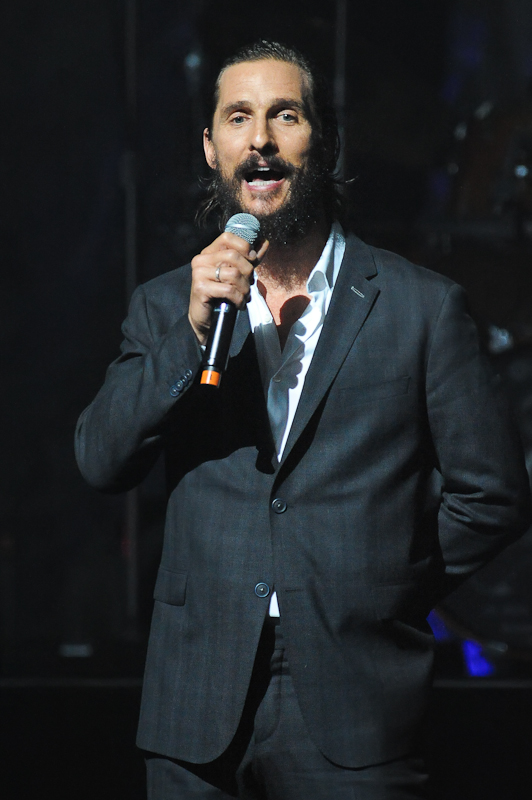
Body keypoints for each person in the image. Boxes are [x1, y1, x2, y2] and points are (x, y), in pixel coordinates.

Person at [75, 40, 531, 799]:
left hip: (356, 697)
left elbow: (494, 494)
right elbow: (100, 458)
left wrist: (386, 578)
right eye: (238, 118)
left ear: (325, 140)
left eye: (284, 115)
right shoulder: (167, 306)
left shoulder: (420, 307)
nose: (260, 139)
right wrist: (190, 335)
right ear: (212, 148)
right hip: (196, 704)